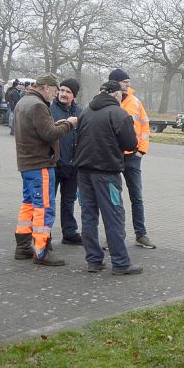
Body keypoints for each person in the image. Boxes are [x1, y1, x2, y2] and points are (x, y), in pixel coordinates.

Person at [74, 81, 143, 275]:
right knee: (113, 217)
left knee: (88, 217)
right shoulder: (118, 113)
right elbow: (130, 142)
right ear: (115, 94)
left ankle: (94, 261)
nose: (123, 97)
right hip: (107, 173)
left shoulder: (86, 111)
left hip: (83, 172)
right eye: (122, 94)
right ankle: (121, 263)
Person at [13, 74, 79, 266]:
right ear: (46, 87)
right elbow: (49, 134)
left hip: (26, 163)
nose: (56, 94)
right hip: (40, 163)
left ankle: (23, 246)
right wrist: (69, 123)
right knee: (44, 207)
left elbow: (38, 130)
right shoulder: (39, 105)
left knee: (28, 204)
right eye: (55, 90)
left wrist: (56, 124)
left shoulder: (23, 102)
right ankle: (42, 251)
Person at [108, 68, 155, 249]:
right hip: (112, 157)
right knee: (113, 198)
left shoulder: (135, 102)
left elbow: (145, 126)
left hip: (132, 157)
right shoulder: (105, 101)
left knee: (136, 196)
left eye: (129, 82)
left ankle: (140, 234)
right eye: (125, 82)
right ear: (115, 83)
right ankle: (114, 235)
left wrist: (141, 151)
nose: (129, 85)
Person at [50, 78, 83, 245]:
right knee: (49, 201)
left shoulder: (80, 112)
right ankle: (44, 234)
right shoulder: (49, 110)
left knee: (69, 201)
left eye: (68, 91)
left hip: (73, 165)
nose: (63, 94)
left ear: (74, 95)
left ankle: (69, 232)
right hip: (54, 164)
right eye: (61, 90)